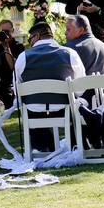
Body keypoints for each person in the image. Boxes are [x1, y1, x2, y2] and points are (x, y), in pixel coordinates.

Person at [14, 21, 86, 151]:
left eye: (31, 39)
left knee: (29, 106)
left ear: (36, 36)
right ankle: (75, 145)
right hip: (64, 108)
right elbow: (80, 89)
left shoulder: (23, 57)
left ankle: (41, 148)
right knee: (75, 102)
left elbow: (17, 89)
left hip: (34, 110)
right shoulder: (70, 53)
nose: (30, 42)